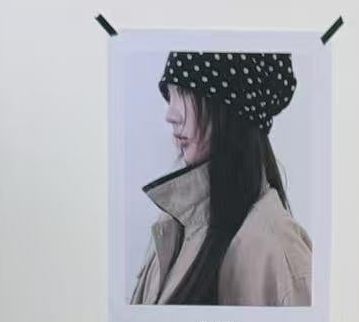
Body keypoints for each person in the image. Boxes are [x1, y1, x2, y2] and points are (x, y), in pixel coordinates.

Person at [129, 50, 312, 307]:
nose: (170, 115)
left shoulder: (276, 250)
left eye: (184, 92)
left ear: (231, 106)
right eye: (170, 95)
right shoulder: (173, 227)